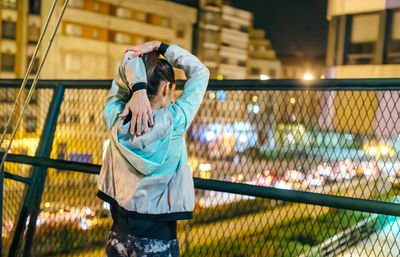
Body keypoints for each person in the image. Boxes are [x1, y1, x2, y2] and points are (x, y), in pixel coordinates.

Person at [97, 41, 210, 256]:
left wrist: (137, 90)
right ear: (167, 87)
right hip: (159, 239)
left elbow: (128, 60)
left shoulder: (116, 118)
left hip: (118, 236)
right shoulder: (176, 120)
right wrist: (160, 46)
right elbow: (200, 72)